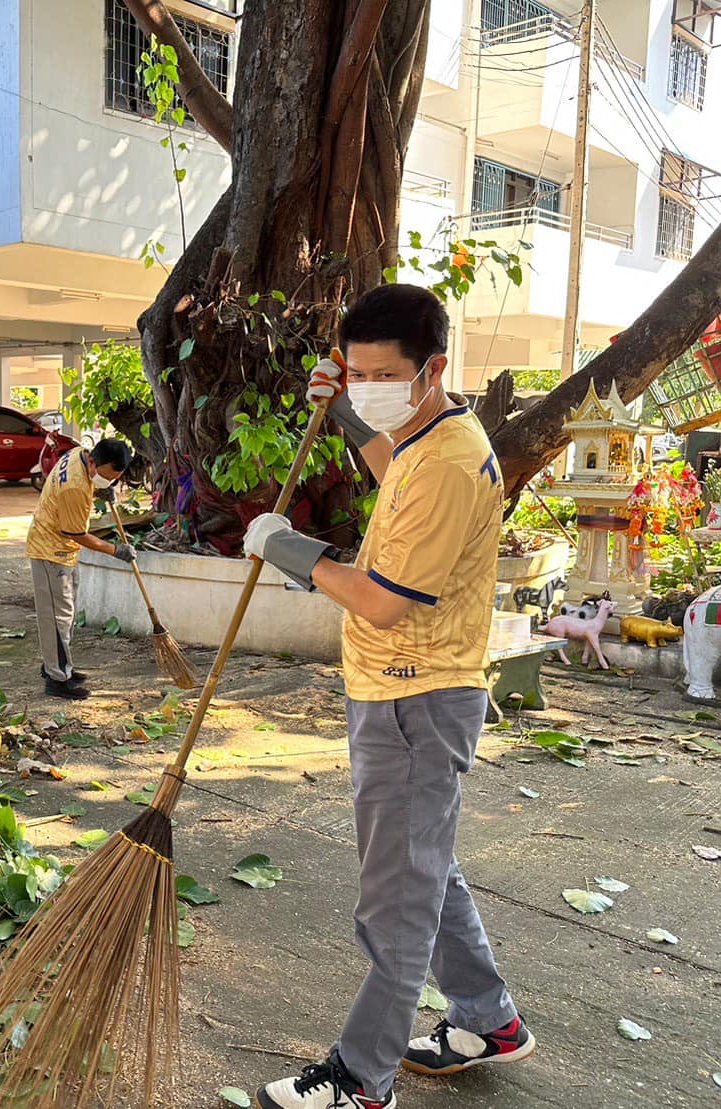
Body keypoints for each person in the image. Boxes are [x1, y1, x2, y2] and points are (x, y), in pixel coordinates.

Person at [246, 285, 532, 1109]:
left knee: (396, 902)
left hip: (415, 699)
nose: (365, 382)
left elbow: (380, 598)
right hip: (400, 692)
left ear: (433, 367)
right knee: (424, 871)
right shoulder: (424, 434)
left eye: (381, 374)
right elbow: (389, 470)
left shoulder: (446, 458)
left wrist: (288, 549)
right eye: (354, 370)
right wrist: (344, 415)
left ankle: (361, 1080)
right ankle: (488, 1018)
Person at [25, 438, 135, 700]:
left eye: (114, 479)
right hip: (50, 551)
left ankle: (59, 665)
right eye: (107, 477)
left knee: (67, 613)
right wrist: (115, 550)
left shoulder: (78, 453)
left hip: (63, 551)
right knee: (56, 618)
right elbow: (76, 533)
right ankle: (57, 679)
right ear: (94, 463)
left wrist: (100, 490)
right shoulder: (74, 486)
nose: (109, 482)